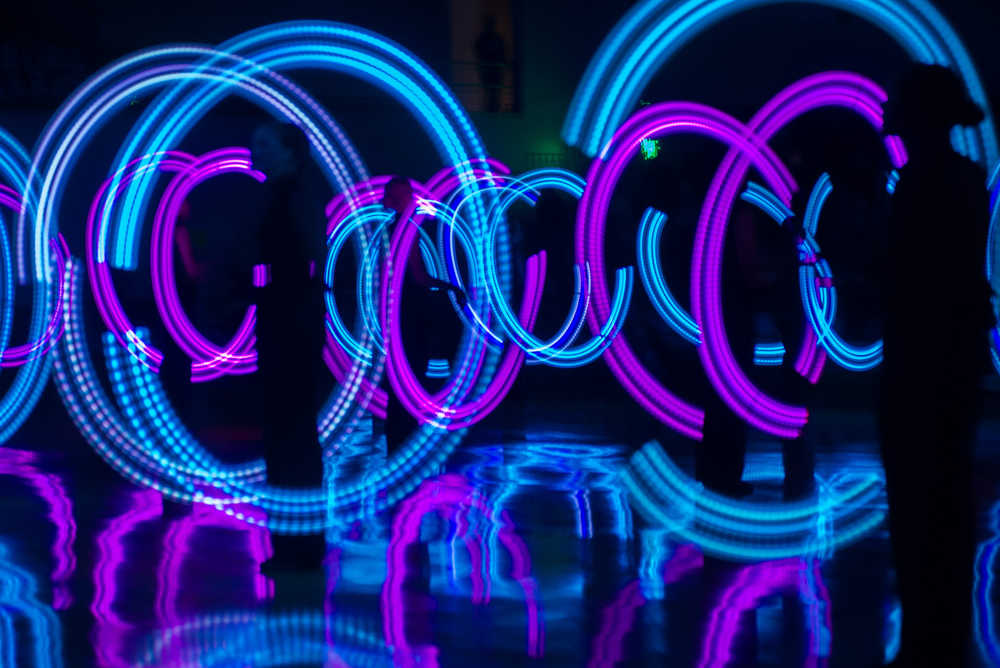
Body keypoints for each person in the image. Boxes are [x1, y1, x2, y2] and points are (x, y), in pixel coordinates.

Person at [878, 64, 992, 668]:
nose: (884, 109)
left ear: (917, 114)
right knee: (943, 485)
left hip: (921, 359)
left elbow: (911, 278)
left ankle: (930, 630)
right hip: (952, 354)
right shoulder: (960, 177)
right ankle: (939, 624)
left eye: (894, 99)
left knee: (921, 487)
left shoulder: (922, 183)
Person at [251, 121, 328, 572]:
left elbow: (307, 257)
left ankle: (300, 546)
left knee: (292, 434)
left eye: (262, 143)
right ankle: (293, 544)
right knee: (286, 435)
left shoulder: (295, 193)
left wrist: (278, 296)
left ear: (288, 151)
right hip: (285, 319)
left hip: (291, 323)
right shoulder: (281, 192)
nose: (252, 149)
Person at [380, 177, 467, 454]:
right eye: (407, 196)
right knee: (411, 370)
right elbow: (418, 277)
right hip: (410, 312)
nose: (413, 200)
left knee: (402, 372)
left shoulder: (394, 229)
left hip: (400, 310)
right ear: (397, 200)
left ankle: (399, 435)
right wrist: (450, 286)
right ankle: (404, 438)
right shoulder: (406, 231)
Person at [474, 16, 506, 113]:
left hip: (493, 69)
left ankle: (493, 108)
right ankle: (491, 108)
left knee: (493, 91)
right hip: (490, 69)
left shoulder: (492, 39)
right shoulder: (492, 39)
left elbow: (478, 50)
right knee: (491, 91)